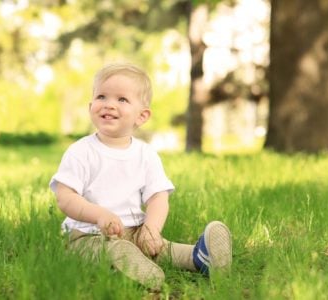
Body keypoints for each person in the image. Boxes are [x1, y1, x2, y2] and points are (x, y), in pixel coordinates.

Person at [49, 62, 232, 290]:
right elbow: (65, 197)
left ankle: (201, 257)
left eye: (122, 100)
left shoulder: (146, 154)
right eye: (102, 97)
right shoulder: (81, 151)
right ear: (90, 106)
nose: (109, 105)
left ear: (142, 116)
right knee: (103, 251)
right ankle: (131, 264)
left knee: (162, 248)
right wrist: (99, 216)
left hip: (135, 232)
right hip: (87, 235)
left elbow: (158, 197)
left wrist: (151, 230)